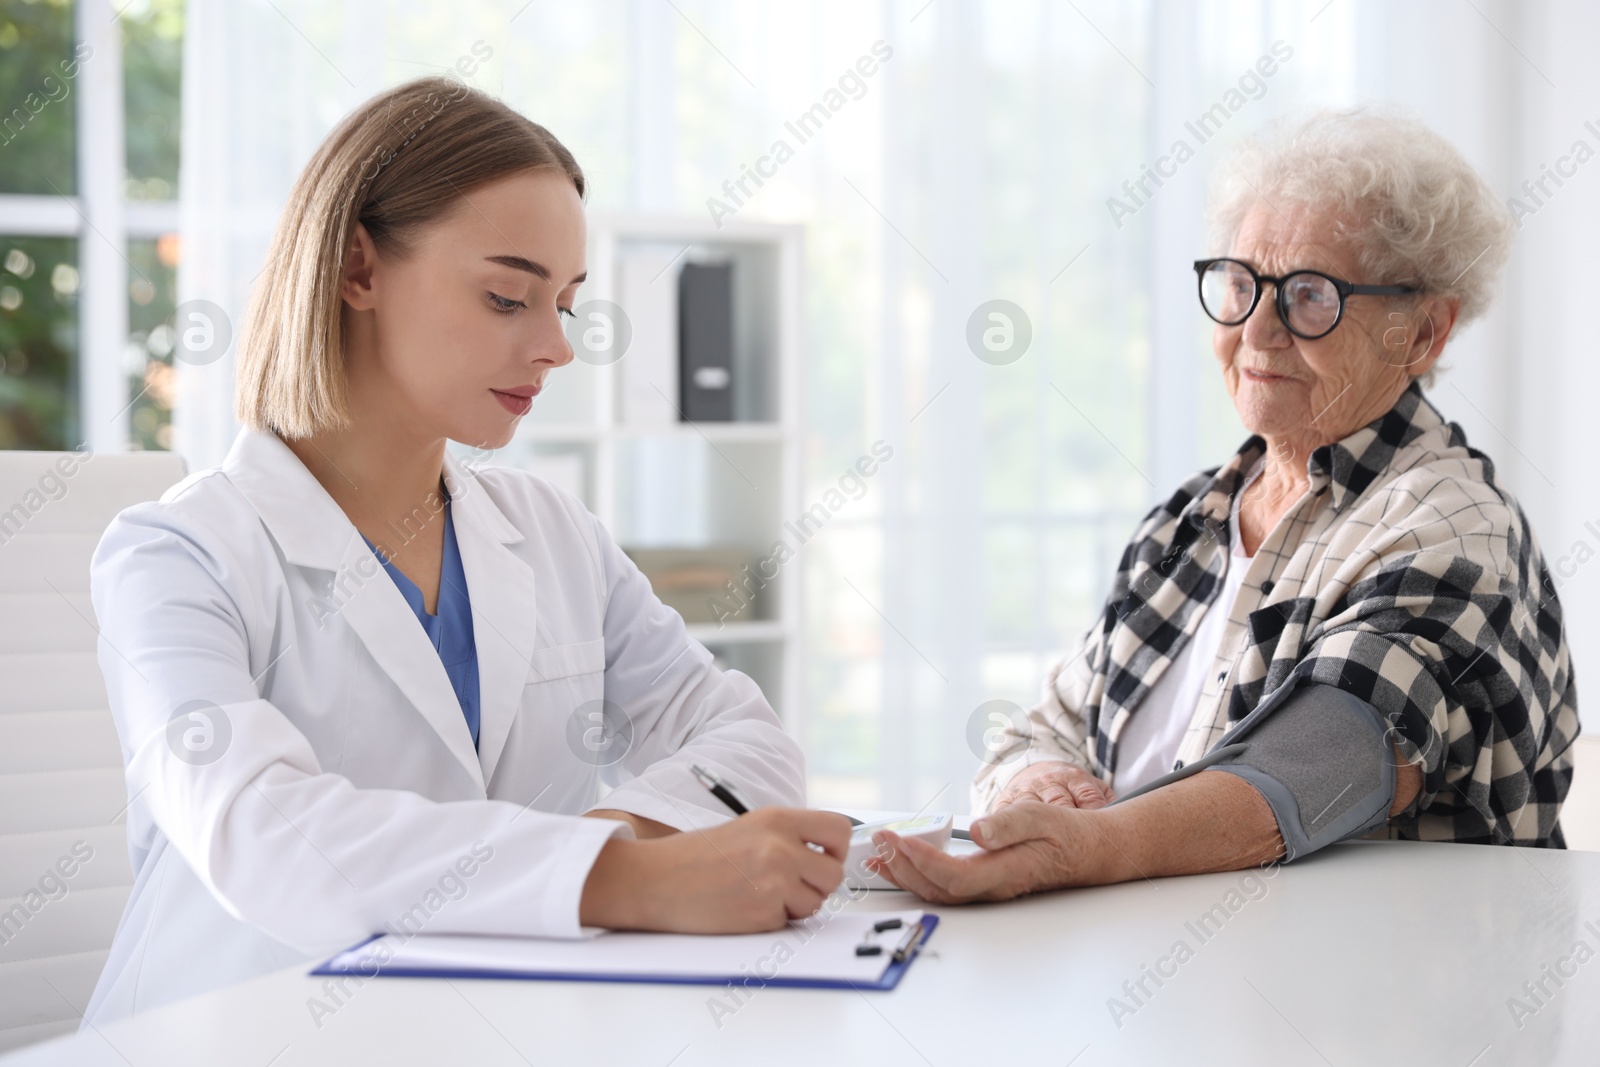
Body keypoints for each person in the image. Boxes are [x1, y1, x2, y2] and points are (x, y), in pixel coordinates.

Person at [85, 76, 848, 1025]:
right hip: (232, 1033)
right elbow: (263, 834)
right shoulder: (176, 555)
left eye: (564, 305)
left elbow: (746, 737)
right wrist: (625, 879)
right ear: (357, 271)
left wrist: (610, 841)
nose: (557, 349)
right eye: (507, 296)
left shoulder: (552, 531)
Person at [868, 109, 1578, 904]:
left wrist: (1084, 846)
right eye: (1240, 285)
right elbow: (1047, 723)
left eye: (1311, 296)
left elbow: (1319, 764)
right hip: (1162, 997)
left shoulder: (1452, 528)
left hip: (1364, 1016)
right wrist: (1039, 786)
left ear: (1423, 331)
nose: (1257, 331)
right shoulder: (1189, 520)